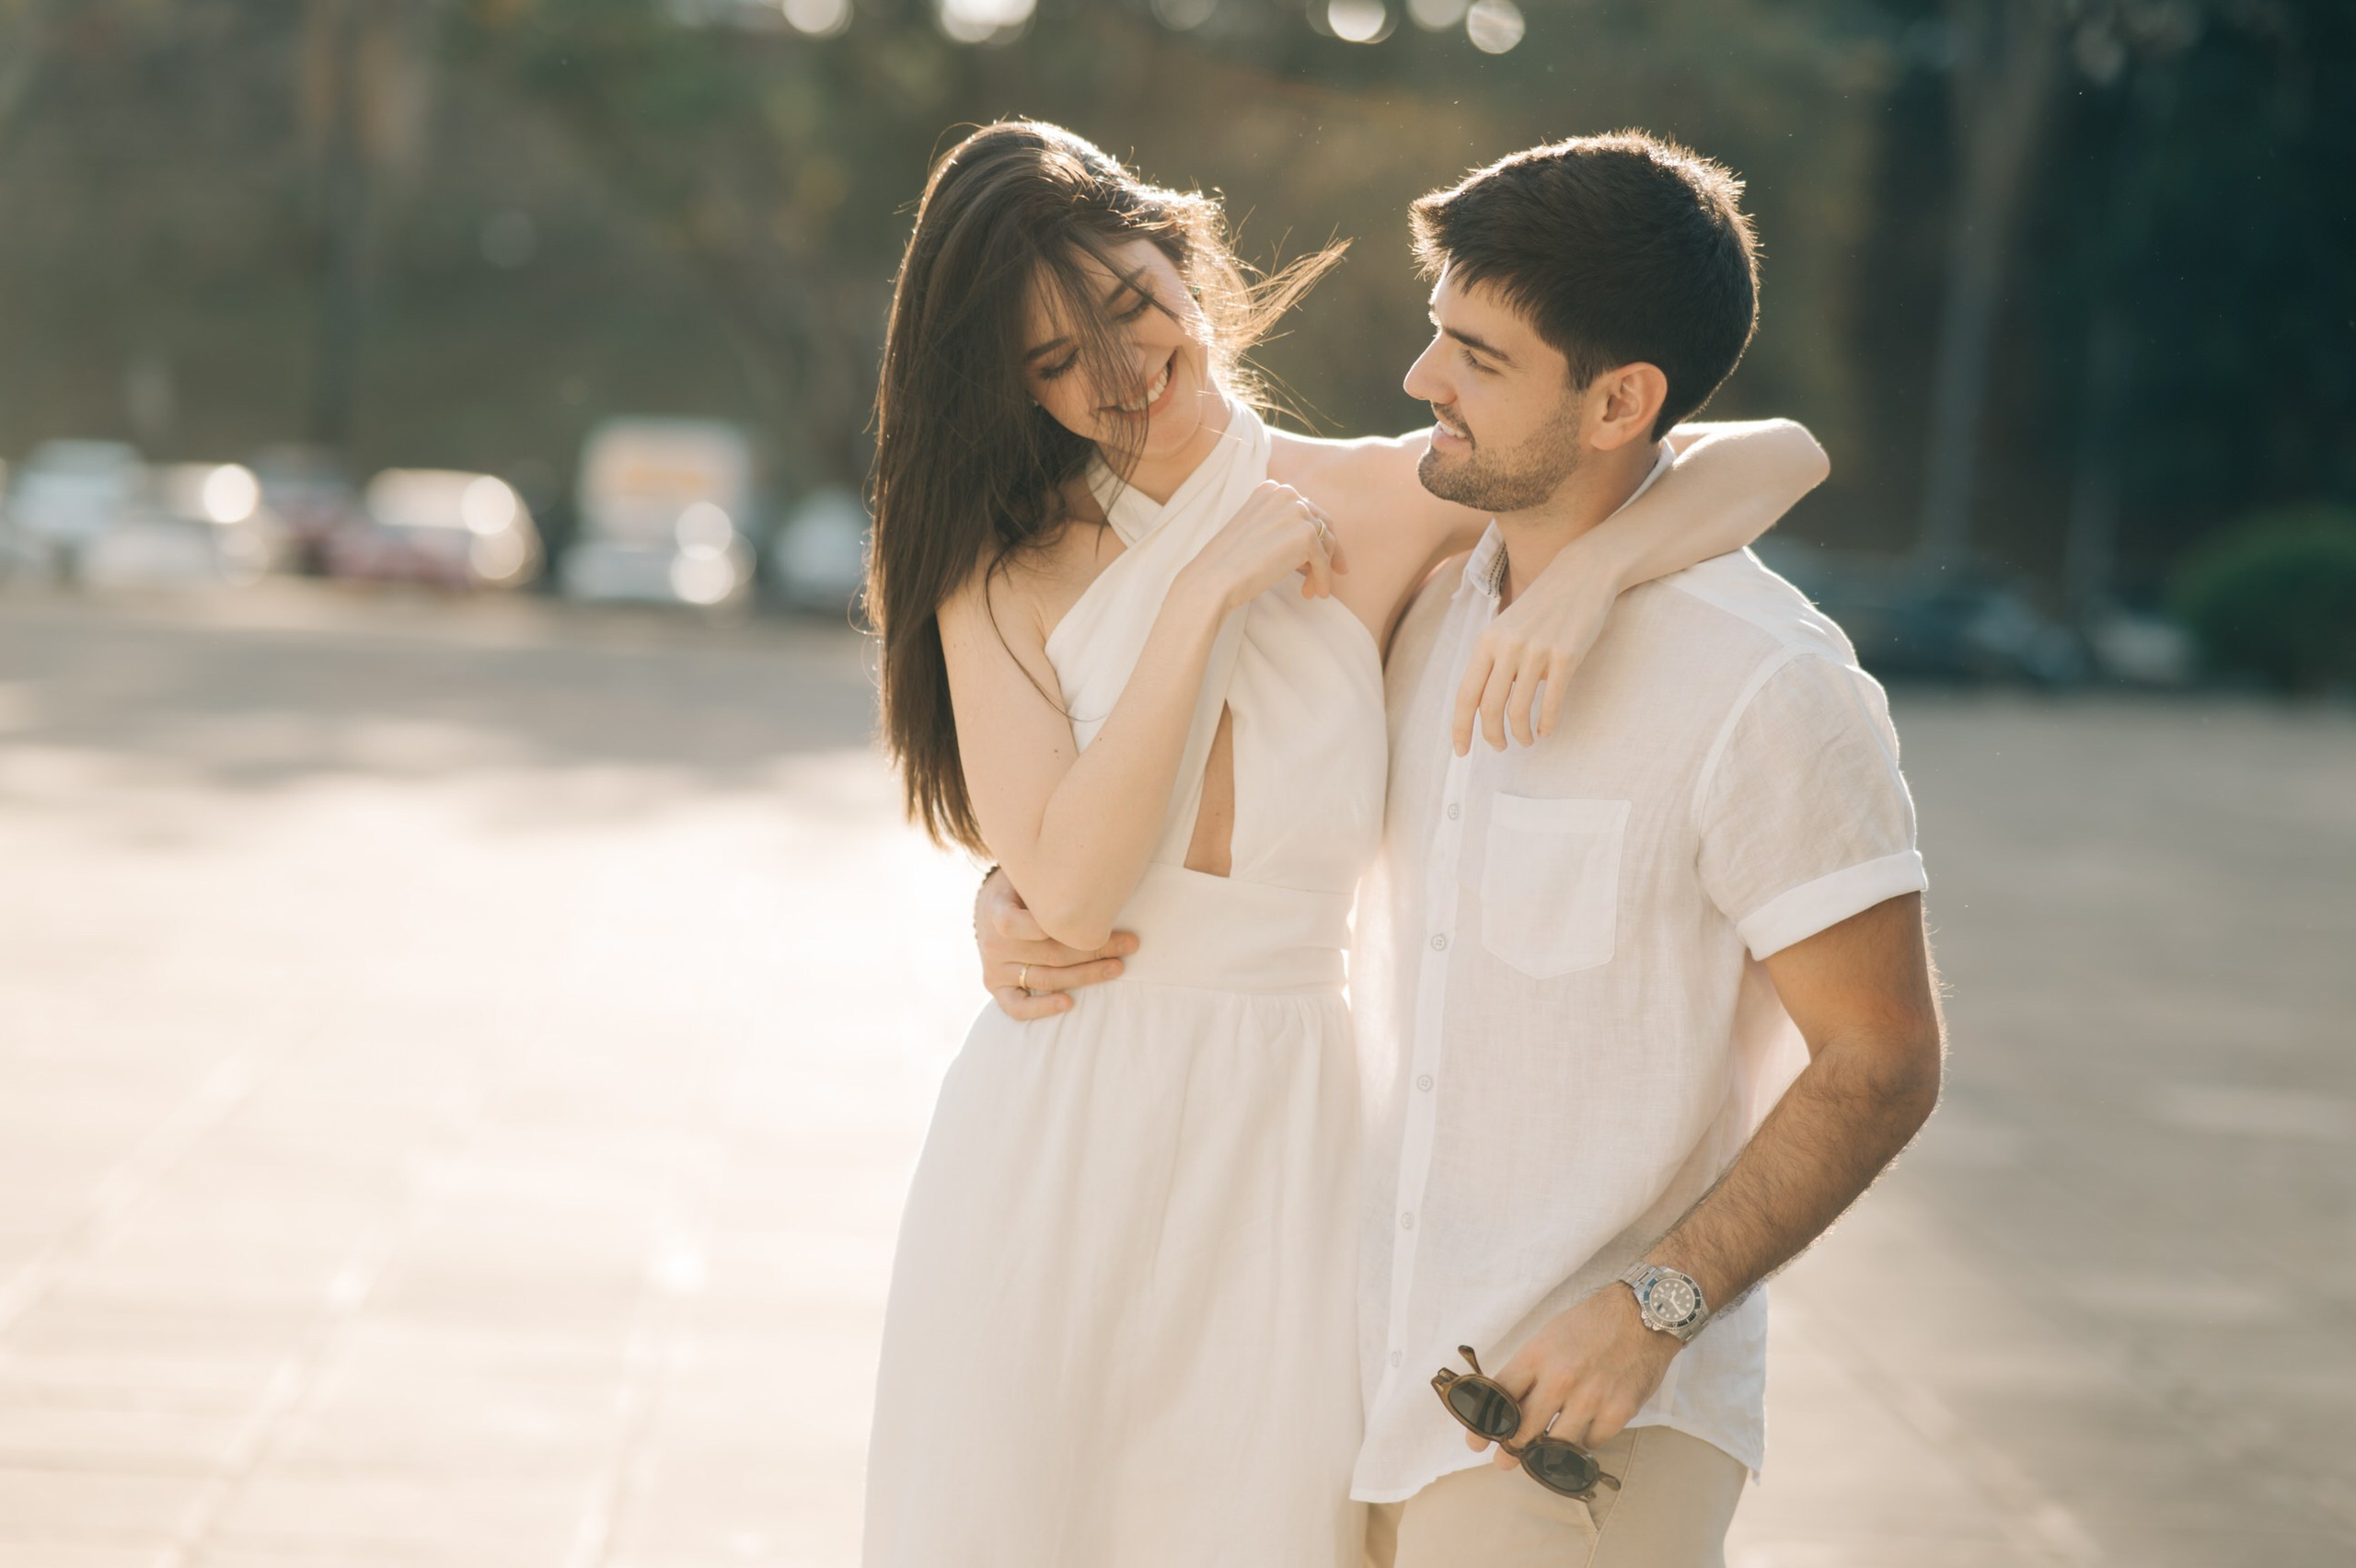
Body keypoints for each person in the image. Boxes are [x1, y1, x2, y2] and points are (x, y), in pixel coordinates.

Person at [979, 131, 1946, 1568]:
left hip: (1583, 1416)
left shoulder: (1766, 683)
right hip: (1350, 1381)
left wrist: (1656, 1311)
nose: (1424, 378)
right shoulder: (1428, 619)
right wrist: (1013, 899)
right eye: (1439, 336)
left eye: (1477, 358)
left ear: (1621, 400)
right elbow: (1246, 822)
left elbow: (1884, 1059)